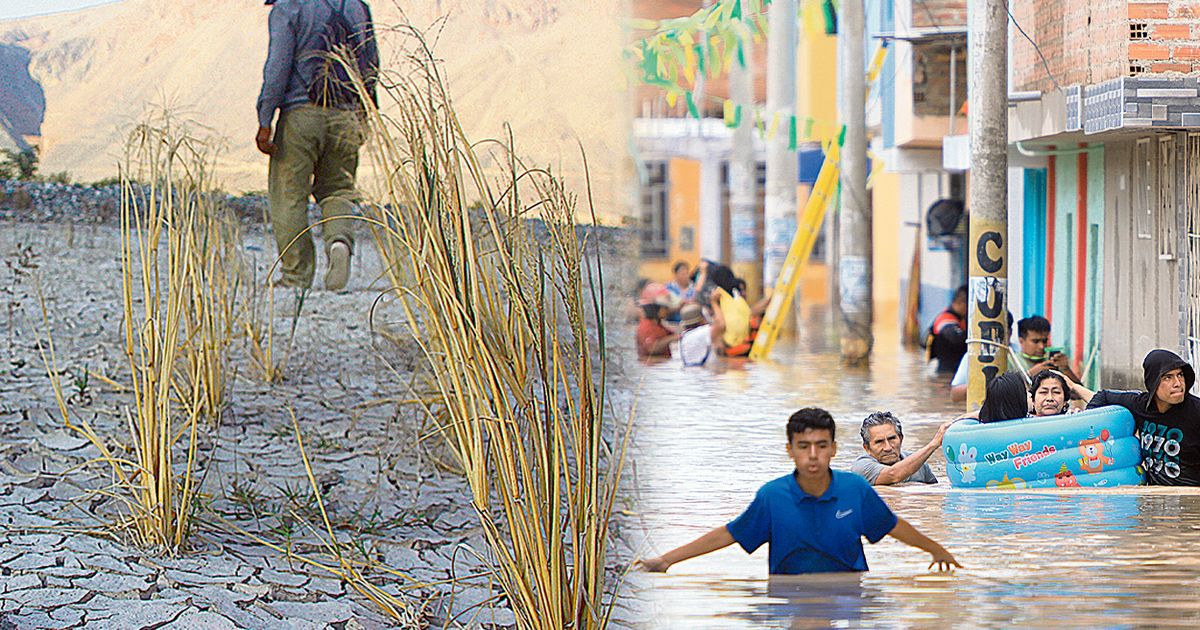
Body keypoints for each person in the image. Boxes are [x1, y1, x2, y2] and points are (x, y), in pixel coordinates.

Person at [638, 408, 960, 574]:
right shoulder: (772, 496)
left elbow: (894, 527)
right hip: (787, 598)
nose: (813, 455)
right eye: (803, 447)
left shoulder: (855, 490)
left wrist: (936, 550)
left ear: (833, 449)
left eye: (821, 446)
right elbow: (729, 534)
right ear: (789, 450)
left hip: (851, 598)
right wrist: (666, 560)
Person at [256, 0, 379, 291]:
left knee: (289, 196)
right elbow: (371, 66)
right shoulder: (357, 6)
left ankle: (296, 276)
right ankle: (338, 241)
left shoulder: (290, 7)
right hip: (347, 113)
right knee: (337, 189)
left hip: (302, 115)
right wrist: (366, 115)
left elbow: (278, 67)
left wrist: (265, 119)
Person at [1087, 349, 1200, 485]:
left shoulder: (1196, 411)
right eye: (1168, 377)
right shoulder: (1141, 405)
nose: (1178, 383)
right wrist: (1088, 420)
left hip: (1190, 496)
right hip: (1153, 496)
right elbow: (1103, 396)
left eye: (1180, 375)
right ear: (1153, 382)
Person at [852, 412, 955, 485]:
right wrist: (934, 444)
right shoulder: (861, 467)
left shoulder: (919, 464)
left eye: (892, 439)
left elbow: (935, 493)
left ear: (901, 439)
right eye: (879, 442)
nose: (888, 448)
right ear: (867, 448)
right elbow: (893, 474)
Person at [1012, 316, 1080, 382]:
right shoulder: (1011, 360)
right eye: (1036, 341)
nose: (1041, 346)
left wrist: (1066, 369)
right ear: (1021, 341)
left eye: (1044, 341)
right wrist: (1029, 375)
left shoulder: (1053, 361)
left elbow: (1078, 391)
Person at [927, 285, 968, 375]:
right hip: (945, 375)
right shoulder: (945, 319)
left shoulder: (961, 319)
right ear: (959, 302)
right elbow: (955, 337)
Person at [636, 283, 681, 358]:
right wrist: (672, 338)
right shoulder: (645, 326)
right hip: (652, 366)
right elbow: (652, 349)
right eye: (665, 308)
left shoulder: (657, 324)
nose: (668, 310)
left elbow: (673, 334)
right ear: (654, 309)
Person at [1029, 370, 1095, 417]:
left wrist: (1074, 387)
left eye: (1056, 392)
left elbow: (1103, 406)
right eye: (1043, 392)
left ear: (1065, 401)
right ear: (1033, 399)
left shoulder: (1071, 420)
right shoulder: (1023, 423)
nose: (1050, 398)